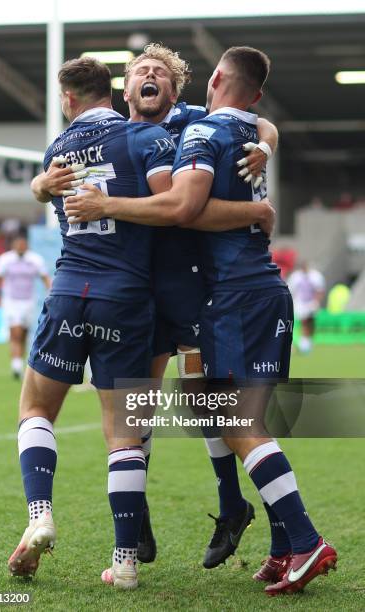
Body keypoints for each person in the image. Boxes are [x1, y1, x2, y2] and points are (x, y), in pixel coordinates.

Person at [64, 46, 337, 596]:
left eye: (161, 73)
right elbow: (58, 177)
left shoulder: (196, 123)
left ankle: (238, 507)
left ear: (178, 89)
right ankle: (137, 525)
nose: (149, 76)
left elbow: (257, 122)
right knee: (129, 408)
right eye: (140, 70)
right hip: (139, 293)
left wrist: (263, 144)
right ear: (124, 88)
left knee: (215, 402)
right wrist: (42, 186)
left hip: (200, 288)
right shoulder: (111, 133)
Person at [8, 56, 177, 588]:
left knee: (35, 407)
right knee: (123, 436)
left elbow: (43, 189)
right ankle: (125, 563)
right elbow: (176, 204)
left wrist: (40, 185)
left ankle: (40, 516)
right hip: (125, 297)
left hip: (68, 290)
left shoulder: (57, 150)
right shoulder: (144, 139)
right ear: (113, 91)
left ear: (68, 99)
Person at [0, 234, 51, 378]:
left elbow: (45, 278)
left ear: (26, 246)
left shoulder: (35, 259)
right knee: (15, 331)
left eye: (23, 244)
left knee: (23, 333)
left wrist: (51, 294)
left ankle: (19, 362)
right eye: (19, 244)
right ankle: (16, 366)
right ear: (14, 246)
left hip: (28, 301)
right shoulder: (5, 259)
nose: (21, 247)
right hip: (11, 301)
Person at [288, 262, 326, 353]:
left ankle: (307, 342)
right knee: (303, 322)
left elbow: (320, 290)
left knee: (311, 323)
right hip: (299, 303)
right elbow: (290, 290)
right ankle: (303, 344)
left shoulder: (315, 276)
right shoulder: (295, 277)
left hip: (311, 302)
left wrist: (316, 302)